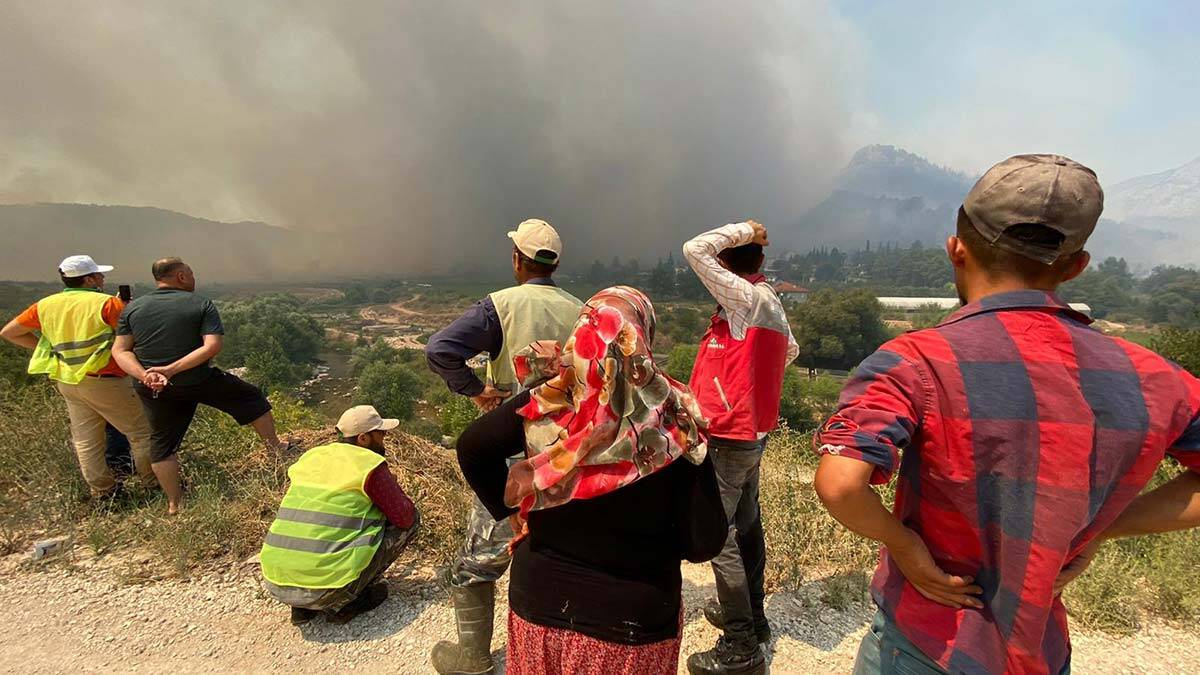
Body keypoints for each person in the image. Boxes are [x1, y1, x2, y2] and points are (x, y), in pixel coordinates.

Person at [813, 154, 1200, 675]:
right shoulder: (1155, 377)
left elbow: (840, 483)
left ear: (956, 249)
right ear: (1077, 266)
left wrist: (902, 543)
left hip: (928, 642)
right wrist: (1095, 528)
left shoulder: (916, 360)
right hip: (1042, 650)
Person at [455, 286, 727, 675]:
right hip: (630, 624)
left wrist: (510, 511)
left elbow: (472, 447)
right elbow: (706, 543)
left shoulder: (550, 400)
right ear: (641, 339)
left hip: (538, 606)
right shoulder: (671, 420)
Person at [424, 219, 583, 674]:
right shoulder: (581, 311)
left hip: (509, 455)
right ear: (555, 265)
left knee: (481, 558)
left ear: (517, 259)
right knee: (559, 548)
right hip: (566, 454)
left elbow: (440, 350)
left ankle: (473, 656)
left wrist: (475, 390)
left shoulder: (500, 306)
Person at [682, 221, 797, 675]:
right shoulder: (769, 301)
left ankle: (740, 645)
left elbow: (695, 247)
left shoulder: (745, 298)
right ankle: (755, 617)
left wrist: (745, 228)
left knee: (719, 533)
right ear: (763, 263)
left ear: (727, 266)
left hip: (729, 436)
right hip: (752, 433)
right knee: (747, 526)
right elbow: (790, 351)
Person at [111, 257, 287, 515]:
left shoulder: (132, 309)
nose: (194, 278)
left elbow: (120, 350)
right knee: (252, 399)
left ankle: (174, 504)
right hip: (197, 379)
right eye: (191, 273)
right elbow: (212, 346)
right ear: (181, 276)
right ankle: (275, 451)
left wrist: (145, 375)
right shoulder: (200, 303)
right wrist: (172, 369)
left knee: (162, 444)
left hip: (153, 387)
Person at [0, 255, 156, 498]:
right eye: (99, 274)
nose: (103, 278)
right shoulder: (106, 304)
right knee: (142, 433)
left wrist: (49, 347)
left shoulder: (45, 305)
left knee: (87, 441)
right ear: (89, 279)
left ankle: (104, 492)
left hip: (68, 380)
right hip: (106, 379)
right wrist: (124, 310)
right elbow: (133, 338)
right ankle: (154, 484)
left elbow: (9, 332)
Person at [260, 405, 420, 626]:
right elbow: (404, 516)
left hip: (276, 583)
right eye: (381, 434)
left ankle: (301, 608)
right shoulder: (368, 465)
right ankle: (347, 602)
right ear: (363, 438)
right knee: (412, 519)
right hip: (329, 588)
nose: (384, 439)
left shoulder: (311, 457)